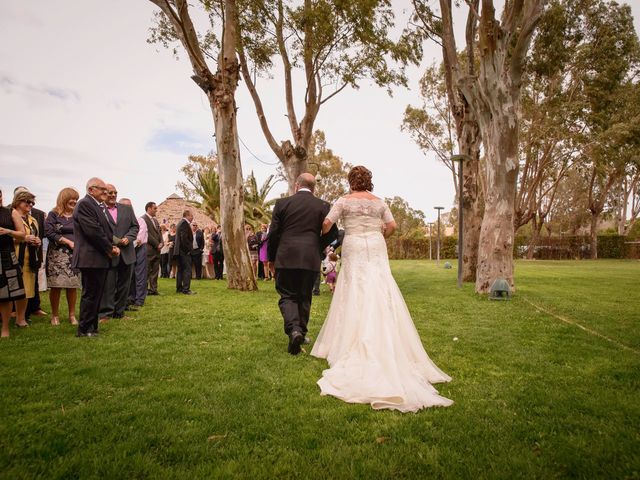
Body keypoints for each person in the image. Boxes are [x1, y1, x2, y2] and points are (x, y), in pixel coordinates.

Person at [311, 166, 452, 412]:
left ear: (351, 182)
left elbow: (327, 222)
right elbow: (393, 226)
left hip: (353, 242)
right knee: (379, 282)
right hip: (375, 243)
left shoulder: (344, 200)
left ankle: (349, 338)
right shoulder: (379, 202)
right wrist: (380, 234)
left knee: (353, 285)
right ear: (369, 182)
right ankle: (384, 328)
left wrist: (325, 236)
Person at [267, 173, 337, 355]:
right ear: (314, 188)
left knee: (287, 295)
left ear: (296, 186)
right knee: (305, 296)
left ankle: (294, 330)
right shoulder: (323, 205)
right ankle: (301, 332)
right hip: (309, 258)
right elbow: (333, 234)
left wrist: (272, 259)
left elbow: (273, 234)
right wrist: (317, 246)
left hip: (286, 256)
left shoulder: (282, 204)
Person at [71, 177, 120, 337]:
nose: (105, 192)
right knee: (90, 294)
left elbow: (103, 230)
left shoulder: (98, 206)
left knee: (96, 294)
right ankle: (84, 329)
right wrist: (110, 248)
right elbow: (93, 231)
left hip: (98, 257)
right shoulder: (85, 204)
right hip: (90, 257)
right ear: (91, 189)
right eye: (101, 189)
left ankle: (92, 327)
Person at [98, 189, 139, 322]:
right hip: (109, 252)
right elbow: (98, 229)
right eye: (110, 192)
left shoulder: (126, 209)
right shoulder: (99, 209)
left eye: (115, 192)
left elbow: (135, 227)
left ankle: (120, 312)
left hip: (127, 253)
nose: (113, 195)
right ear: (104, 194)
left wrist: (129, 237)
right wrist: (116, 241)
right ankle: (105, 314)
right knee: (108, 285)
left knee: (124, 285)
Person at [45, 187, 81, 326]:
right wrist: (67, 241)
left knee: (72, 285)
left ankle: (72, 315)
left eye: (76, 199)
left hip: (74, 255)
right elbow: (49, 232)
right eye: (72, 198)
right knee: (56, 285)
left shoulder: (77, 215)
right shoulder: (53, 214)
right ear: (64, 198)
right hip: (57, 255)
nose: (74, 201)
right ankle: (55, 315)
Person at [14, 187, 47, 320]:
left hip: (30, 258)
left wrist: (37, 241)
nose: (30, 205)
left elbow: (37, 235)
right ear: (18, 201)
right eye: (27, 201)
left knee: (27, 288)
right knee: (12, 288)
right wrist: (23, 238)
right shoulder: (9, 216)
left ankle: (22, 317)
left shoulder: (33, 220)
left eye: (32, 202)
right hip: (14, 257)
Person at [0, 189, 26, 337]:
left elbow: (22, 234)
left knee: (6, 294)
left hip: (6, 256)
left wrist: (7, 231)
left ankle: (5, 328)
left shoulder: (10, 212)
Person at [142, 202, 163, 295]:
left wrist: (162, 242)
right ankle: (144, 290)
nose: (156, 210)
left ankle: (154, 289)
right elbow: (147, 234)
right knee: (146, 271)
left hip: (157, 250)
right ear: (149, 208)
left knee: (155, 271)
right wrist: (156, 244)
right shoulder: (143, 219)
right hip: (149, 249)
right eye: (155, 208)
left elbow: (159, 232)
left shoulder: (155, 220)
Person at [129, 206, 148, 308]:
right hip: (129, 248)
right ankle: (131, 297)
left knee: (140, 274)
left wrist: (125, 244)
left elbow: (139, 239)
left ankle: (139, 299)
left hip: (139, 248)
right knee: (130, 274)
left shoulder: (140, 220)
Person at [174, 210, 195, 295]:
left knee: (180, 270)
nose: (192, 217)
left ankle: (179, 288)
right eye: (191, 215)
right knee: (187, 270)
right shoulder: (184, 223)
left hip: (179, 251)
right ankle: (186, 289)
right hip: (184, 251)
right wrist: (188, 250)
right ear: (187, 215)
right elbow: (184, 239)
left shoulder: (180, 223)